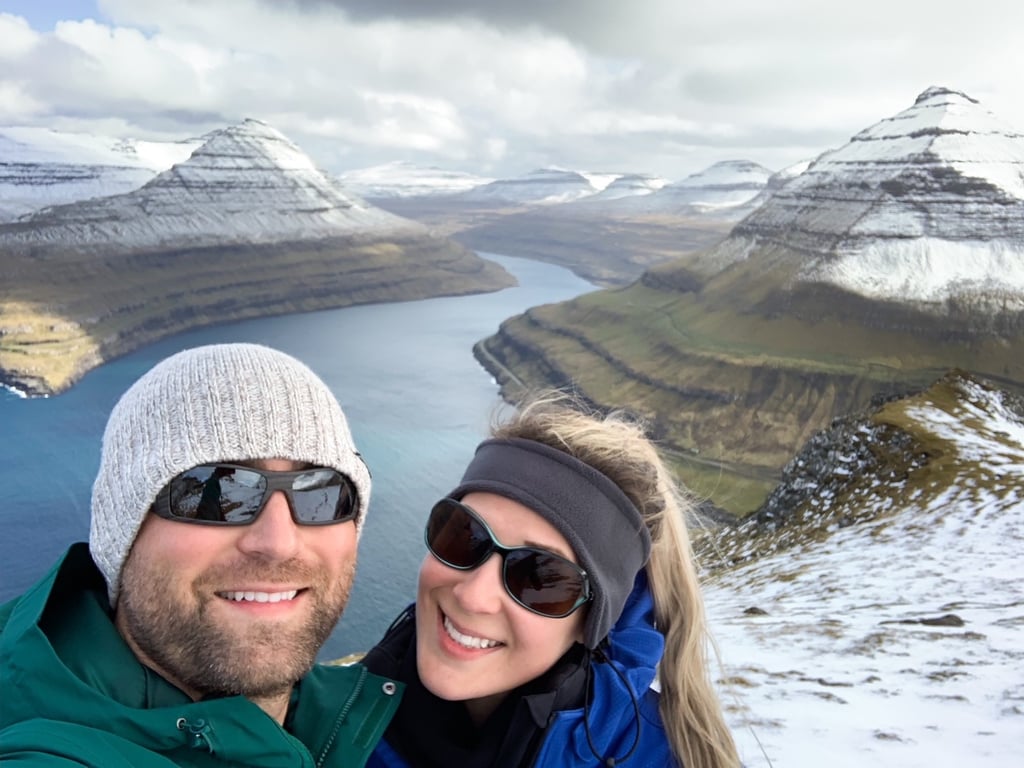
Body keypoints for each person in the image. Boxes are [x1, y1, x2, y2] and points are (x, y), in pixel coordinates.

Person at [0, 343, 402, 767]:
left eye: (322, 491)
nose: (278, 543)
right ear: (123, 528)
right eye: (213, 492)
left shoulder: (363, 722)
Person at [363, 391, 741, 768]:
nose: (473, 596)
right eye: (465, 536)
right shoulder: (324, 723)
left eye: (539, 577)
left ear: (591, 622)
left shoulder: (667, 759)